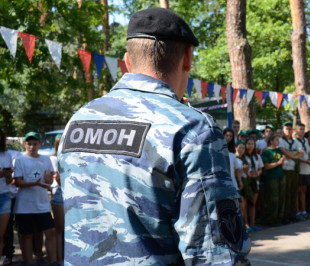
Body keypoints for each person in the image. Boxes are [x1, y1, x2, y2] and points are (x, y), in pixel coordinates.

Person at [57, 8, 250, 265]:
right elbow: (216, 255)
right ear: (187, 59)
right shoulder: (193, 128)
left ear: (127, 60)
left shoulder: (78, 120)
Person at [13, 132, 57, 265]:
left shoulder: (46, 159)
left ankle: (53, 262)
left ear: (39, 144)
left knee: (50, 232)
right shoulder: (20, 159)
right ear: (25, 144)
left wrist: (49, 181)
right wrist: (35, 183)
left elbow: (48, 182)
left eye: (35, 143)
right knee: (26, 235)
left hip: (42, 204)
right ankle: (27, 261)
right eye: (29, 143)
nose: (32, 146)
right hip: (24, 206)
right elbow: (18, 182)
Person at [278, 122, 303, 223]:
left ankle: (292, 214)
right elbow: (285, 153)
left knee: (293, 192)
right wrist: (294, 154)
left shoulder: (295, 142)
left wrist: (292, 154)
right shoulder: (280, 140)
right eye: (286, 128)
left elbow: (302, 153)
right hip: (285, 169)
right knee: (286, 193)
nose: (288, 130)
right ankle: (285, 216)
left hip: (294, 169)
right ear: (283, 130)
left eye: (289, 128)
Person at [262, 135, 286, 226]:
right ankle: (271, 219)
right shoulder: (267, 152)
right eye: (276, 139)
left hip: (281, 175)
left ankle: (279, 218)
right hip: (272, 177)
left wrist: (282, 162)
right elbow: (267, 166)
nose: (278, 141)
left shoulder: (279, 150)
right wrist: (278, 163)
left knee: (281, 197)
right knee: (273, 199)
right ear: (271, 141)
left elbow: (282, 164)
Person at [50, 135, 64, 265]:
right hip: (59, 193)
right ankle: (60, 260)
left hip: (73, 193)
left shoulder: (72, 157)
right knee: (59, 228)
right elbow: (54, 180)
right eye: (59, 143)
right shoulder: (53, 159)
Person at [244, 138, 263, 232]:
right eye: (248, 143)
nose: (250, 145)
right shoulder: (243, 156)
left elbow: (260, 168)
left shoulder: (257, 156)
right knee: (245, 204)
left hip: (255, 181)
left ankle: (253, 224)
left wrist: (258, 173)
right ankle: (246, 224)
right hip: (247, 181)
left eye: (252, 144)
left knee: (253, 204)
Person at [0, 129, 14, 263]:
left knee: (1, 235)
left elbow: (9, 182)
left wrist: (9, 176)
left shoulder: (7, 155)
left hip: (4, 197)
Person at [294, 123, 310, 221]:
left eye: (303, 129)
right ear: (296, 130)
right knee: (298, 190)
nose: (302, 131)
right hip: (299, 168)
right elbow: (296, 155)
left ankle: (304, 210)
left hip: (307, 168)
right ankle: (297, 211)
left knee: (303, 190)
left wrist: (308, 159)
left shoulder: (305, 140)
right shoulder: (294, 141)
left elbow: (308, 151)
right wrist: (304, 161)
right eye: (300, 129)